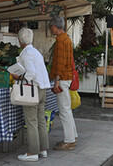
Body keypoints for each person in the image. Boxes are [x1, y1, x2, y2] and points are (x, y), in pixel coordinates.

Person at [10, 28, 51, 162]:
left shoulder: (27, 53)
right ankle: (43, 149)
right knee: (40, 120)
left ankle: (32, 152)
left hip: (33, 90)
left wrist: (19, 77)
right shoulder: (36, 52)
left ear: (21, 40)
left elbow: (31, 73)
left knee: (31, 121)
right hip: (43, 88)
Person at [48, 16, 78, 151]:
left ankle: (69, 141)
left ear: (55, 26)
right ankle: (72, 136)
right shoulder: (67, 38)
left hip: (63, 79)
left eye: (51, 27)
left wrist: (57, 81)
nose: (50, 29)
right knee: (67, 110)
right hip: (67, 77)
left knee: (64, 110)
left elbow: (60, 63)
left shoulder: (60, 40)